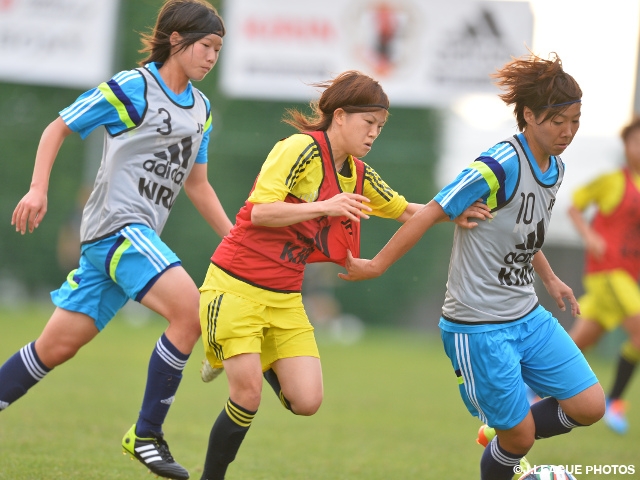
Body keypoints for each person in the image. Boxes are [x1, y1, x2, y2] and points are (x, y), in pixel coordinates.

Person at [196, 70, 489, 480]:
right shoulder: (299, 148)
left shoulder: (358, 173)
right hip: (235, 286)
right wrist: (324, 206)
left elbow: (406, 210)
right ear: (339, 116)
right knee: (247, 396)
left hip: (283, 299)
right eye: (368, 123)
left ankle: (245, 355)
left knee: (307, 401)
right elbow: (260, 211)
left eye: (380, 127)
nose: (374, 134)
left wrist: (454, 211)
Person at [339, 53, 605, 480]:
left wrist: (552, 279)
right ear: (530, 116)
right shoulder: (499, 162)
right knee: (518, 440)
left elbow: (524, 231)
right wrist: (377, 265)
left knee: (590, 406)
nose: (568, 132)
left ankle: (506, 430)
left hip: (527, 316)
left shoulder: (554, 168)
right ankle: (509, 440)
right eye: (558, 121)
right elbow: (430, 211)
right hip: (478, 326)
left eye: (575, 120)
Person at [0, 1, 232, 479]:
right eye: (206, 46)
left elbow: (197, 185)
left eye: (218, 50)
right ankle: (146, 433)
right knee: (188, 311)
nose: (212, 57)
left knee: (54, 348)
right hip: (118, 230)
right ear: (177, 40)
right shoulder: (133, 87)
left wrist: (234, 241)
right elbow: (58, 126)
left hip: (125, 242)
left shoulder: (203, 111)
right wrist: (38, 187)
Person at [567, 116, 640, 434]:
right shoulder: (612, 180)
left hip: (628, 276)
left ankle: (529, 389)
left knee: (575, 345)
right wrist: (589, 236)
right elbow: (574, 207)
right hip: (609, 271)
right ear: (626, 146)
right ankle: (615, 401)